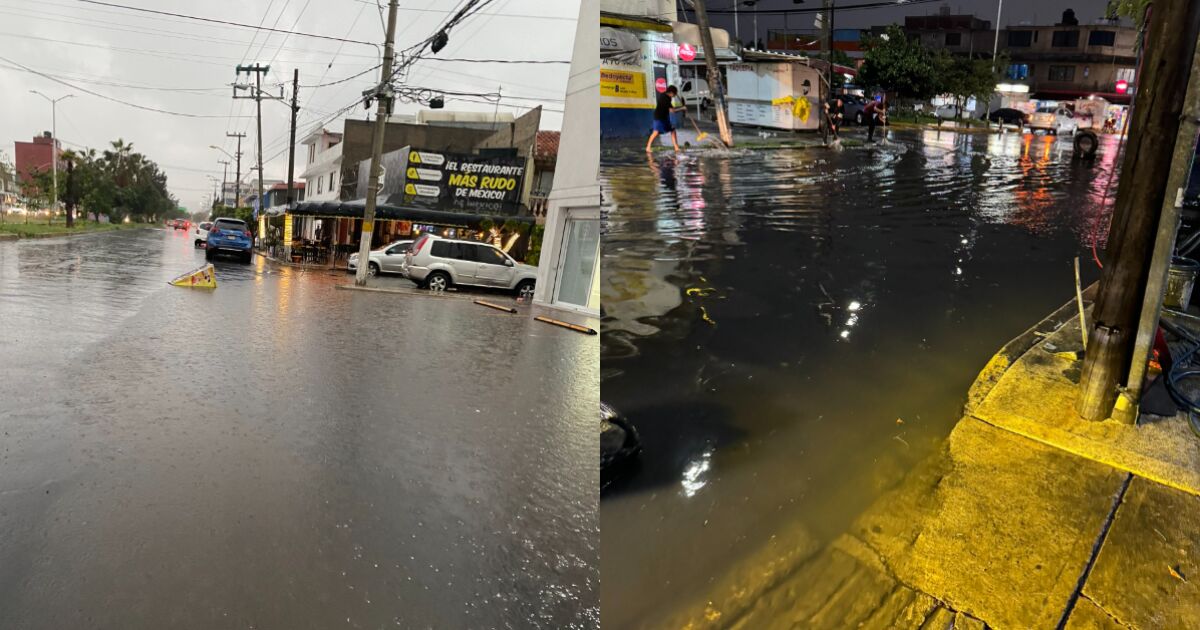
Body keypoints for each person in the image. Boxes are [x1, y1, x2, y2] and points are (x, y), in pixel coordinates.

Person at [647, 85, 684, 153]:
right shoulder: (665, 98)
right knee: (656, 132)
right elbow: (672, 110)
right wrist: (682, 108)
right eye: (675, 94)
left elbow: (671, 108)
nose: (675, 96)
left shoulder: (667, 96)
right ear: (671, 93)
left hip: (664, 117)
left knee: (672, 130)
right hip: (659, 117)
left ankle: (676, 147)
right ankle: (648, 147)